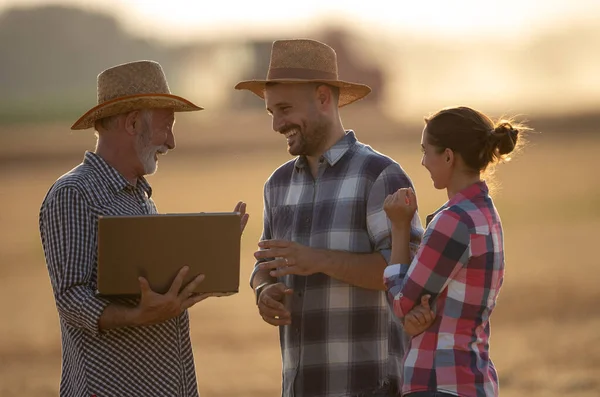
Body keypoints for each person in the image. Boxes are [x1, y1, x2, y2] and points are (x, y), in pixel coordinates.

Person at [39, 60, 249, 397]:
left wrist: (212, 252)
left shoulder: (138, 195)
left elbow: (155, 287)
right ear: (134, 123)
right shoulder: (73, 193)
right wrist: (137, 315)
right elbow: (70, 298)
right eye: (167, 126)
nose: (172, 142)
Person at [235, 38, 427, 397]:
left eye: (285, 108)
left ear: (323, 98)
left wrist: (316, 260)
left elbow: (407, 280)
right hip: (300, 386)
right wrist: (263, 290)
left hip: (371, 386)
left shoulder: (379, 175)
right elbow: (266, 265)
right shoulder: (276, 185)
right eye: (271, 112)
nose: (277, 123)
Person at [383, 106, 530, 397]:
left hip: (439, 381)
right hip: (471, 377)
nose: (423, 162)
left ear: (448, 156)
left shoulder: (453, 221)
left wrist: (399, 228)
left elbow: (401, 303)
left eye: (426, 151)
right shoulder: (486, 214)